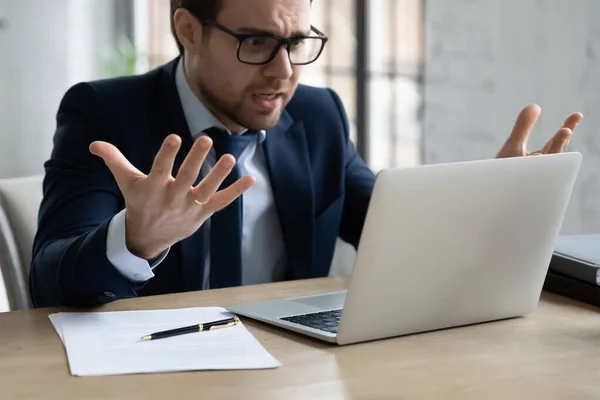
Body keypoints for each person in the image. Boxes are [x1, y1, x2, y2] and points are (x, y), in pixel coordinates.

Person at [29, 0, 583, 308]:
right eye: (257, 43)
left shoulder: (318, 115)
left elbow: (390, 226)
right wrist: (136, 239)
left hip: (294, 370)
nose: (284, 71)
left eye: (296, 42)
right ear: (188, 30)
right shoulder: (105, 114)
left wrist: (495, 206)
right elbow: (50, 278)